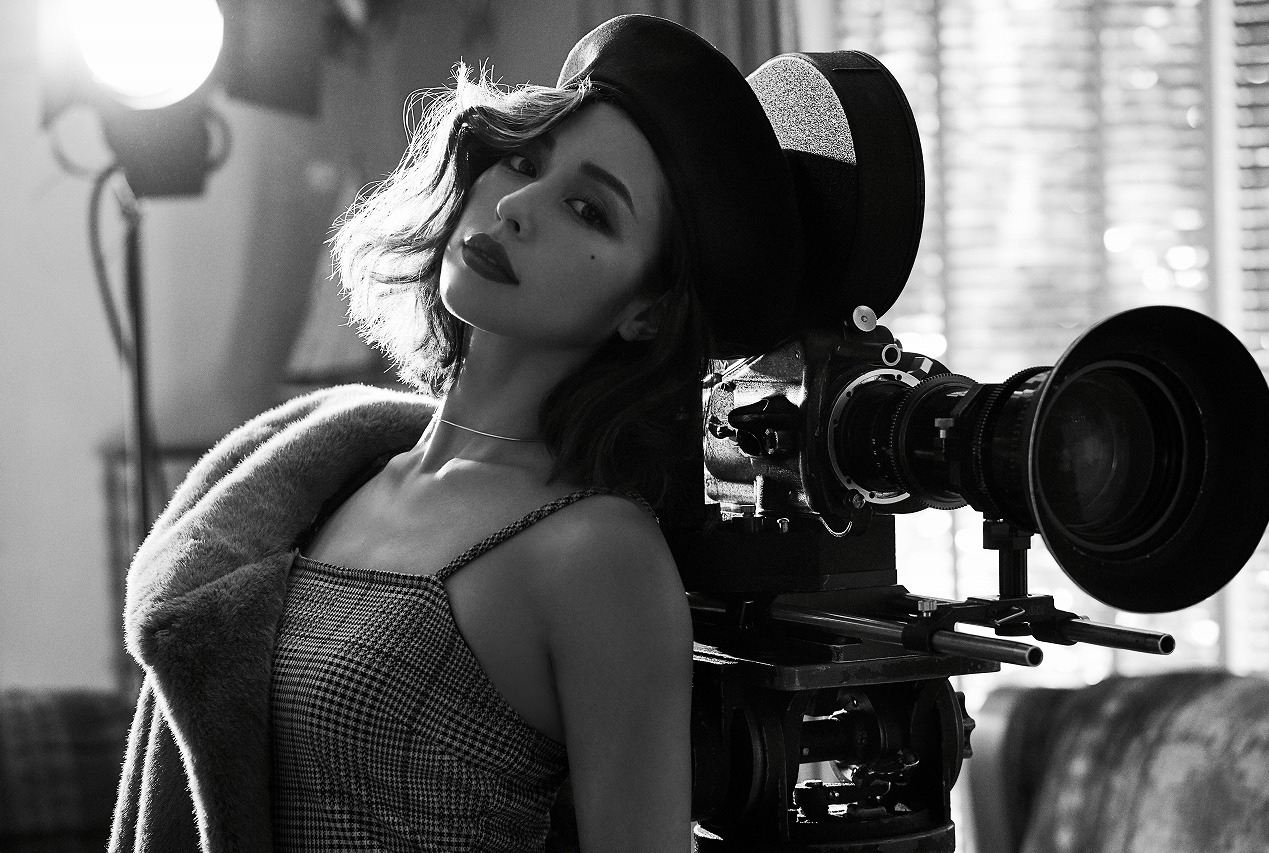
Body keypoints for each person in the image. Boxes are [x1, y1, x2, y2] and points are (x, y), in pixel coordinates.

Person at [109, 14, 803, 853]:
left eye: (587, 209)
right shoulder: (333, 470)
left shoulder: (596, 554)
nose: (516, 207)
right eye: (524, 161)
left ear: (647, 312)